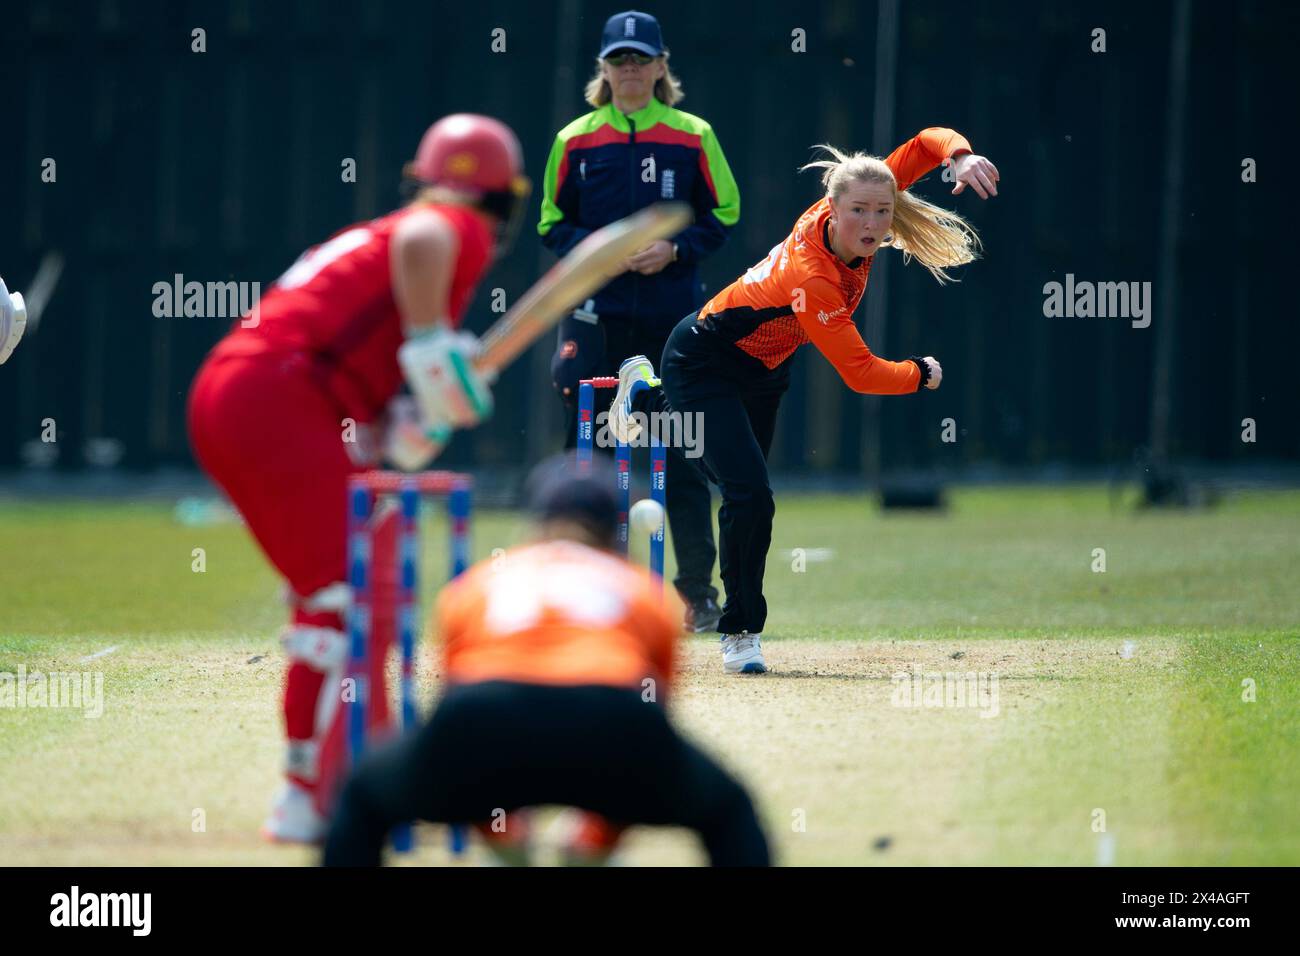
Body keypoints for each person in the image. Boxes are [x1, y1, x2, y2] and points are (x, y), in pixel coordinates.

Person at [186, 114, 530, 842]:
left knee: (336, 601)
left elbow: (375, 382)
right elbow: (428, 233)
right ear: (506, 197)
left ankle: (315, 793)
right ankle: (341, 795)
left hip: (249, 393)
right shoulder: (450, 226)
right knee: (351, 605)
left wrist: (410, 418)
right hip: (280, 396)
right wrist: (436, 350)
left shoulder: (374, 239)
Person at [606, 128, 1001, 674]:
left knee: (732, 483)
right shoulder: (813, 278)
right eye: (859, 212)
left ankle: (647, 408)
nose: (872, 223)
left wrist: (960, 156)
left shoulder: (862, 192)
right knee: (752, 496)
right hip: (702, 359)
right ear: (832, 211)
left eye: (883, 212)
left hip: (765, 370)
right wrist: (918, 374)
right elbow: (862, 374)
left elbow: (928, 140)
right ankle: (741, 631)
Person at [321, 454, 772, 867]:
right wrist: (600, 839)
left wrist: (495, 828)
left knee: (362, 794)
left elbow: (453, 701)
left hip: (483, 718)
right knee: (728, 808)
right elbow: (655, 713)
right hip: (612, 720)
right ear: (611, 529)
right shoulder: (641, 590)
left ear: (535, 522)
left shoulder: (475, 585)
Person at [540, 10, 741, 633]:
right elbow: (551, 222)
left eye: (640, 60)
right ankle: (586, 595)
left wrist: (675, 250)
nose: (629, 70)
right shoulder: (576, 138)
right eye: (618, 61)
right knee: (591, 457)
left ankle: (695, 596)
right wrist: (602, 252)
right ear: (603, 70)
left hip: (671, 319)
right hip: (597, 320)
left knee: (683, 452)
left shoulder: (692, 133)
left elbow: (725, 211)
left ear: (660, 67)